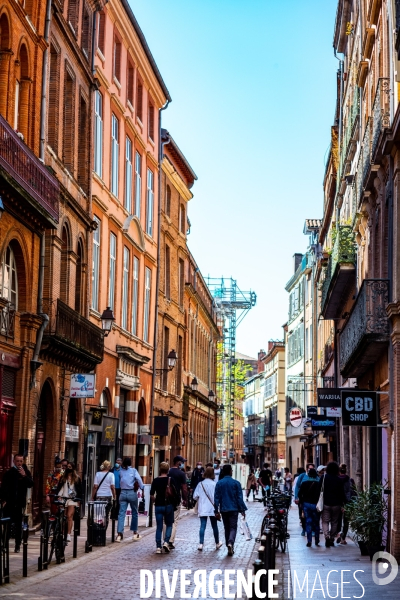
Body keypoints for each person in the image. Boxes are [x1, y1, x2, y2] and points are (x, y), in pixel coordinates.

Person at [1, 454, 33, 552]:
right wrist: (3, 500)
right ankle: (5, 545)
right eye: (17, 461)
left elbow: (30, 484)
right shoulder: (9, 472)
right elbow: (3, 488)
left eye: (21, 461)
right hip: (9, 503)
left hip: (19, 503)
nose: (19, 463)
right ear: (14, 461)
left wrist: (24, 476)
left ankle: (17, 545)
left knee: (19, 525)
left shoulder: (26, 472)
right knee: (7, 524)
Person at [214, 464, 247, 556]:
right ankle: (230, 543)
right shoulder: (236, 483)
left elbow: (216, 498)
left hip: (224, 508)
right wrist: (242, 510)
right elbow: (239, 498)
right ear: (230, 471)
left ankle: (228, 543)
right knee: (233, 527)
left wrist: (216, 510)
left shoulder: (219, 483)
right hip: (234, 509)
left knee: (226, 527)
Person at [193, 466, 222, 551]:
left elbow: (195, 496)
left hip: (203, 507)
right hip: (213, 508)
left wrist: (201, 499)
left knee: (202, 526)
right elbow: (218, 497)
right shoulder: (215, 484)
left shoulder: (200, 484)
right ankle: (217, 543)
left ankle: (201, 544)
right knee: (214, 526)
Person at [116, 457, 144, 543]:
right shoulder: (134, 471)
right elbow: (139, 480)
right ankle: (135, 532)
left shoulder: (120, 471)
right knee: (134, 512)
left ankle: (119, 534)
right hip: (132, 492)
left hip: (123, 493)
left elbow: (121, 479)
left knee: (121, 513)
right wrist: (142, 488)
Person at [150, 462, 176, 554]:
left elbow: (152, 494)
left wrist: (155, 501)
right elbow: (175, 493)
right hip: (168, 505)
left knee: (159, 527)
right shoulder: (170, 479)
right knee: (169, 524)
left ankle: (158, 547)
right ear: (168, 470)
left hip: (158, 505)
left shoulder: (156, 480)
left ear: (160, 469)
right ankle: (166, 542)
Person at [164, 455, 188, 549]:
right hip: (176, 499)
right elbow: (184, 487)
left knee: (165, 520)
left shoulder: (167, 471)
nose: (183, 464)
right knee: (174, 520)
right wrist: (185, 499)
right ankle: (170, 541)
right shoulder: (181, 474)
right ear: (178, 463)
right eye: (182, 462)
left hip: (165, 499)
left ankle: (165, 540)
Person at [320, 461, 346, 547]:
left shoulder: (323, 478)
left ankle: (326, 536)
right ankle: (331, 538)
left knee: (325, 521)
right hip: (337, 504)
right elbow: (342, 492)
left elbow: (319, 490)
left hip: (326, 503)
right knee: (335, 522)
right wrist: (344, 503)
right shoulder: (339, 479)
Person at [55, 461, 82, 542]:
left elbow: (80, 490)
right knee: (63, 516)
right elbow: (60, 487)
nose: (69, 468)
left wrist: (79, 500)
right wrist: (58, 496)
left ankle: (68, 534)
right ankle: (62, 532)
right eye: (68, 467)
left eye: (70, 467)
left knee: (69, 516)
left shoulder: (77, 478)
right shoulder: (63, 478)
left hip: (72, 499)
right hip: (64, 498)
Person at [298, 468, 321, 547]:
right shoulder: (319, 484)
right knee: (316, 522)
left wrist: (301, 502)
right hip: (315, 504)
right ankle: (317, 540)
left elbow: (299, 494)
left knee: (308, 522)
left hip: (306, 504)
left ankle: (309, 540)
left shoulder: (304, 483)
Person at [336, 463, 355, 545]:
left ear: (339, 472)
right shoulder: (350, 480)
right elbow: (353, 492)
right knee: (346, 521)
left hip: (338, 503)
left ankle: (338, 533)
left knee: (337, 520)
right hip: (348, 503)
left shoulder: (336, 480)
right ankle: (343, 538)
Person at [294, 463, 315, 536]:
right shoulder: (302, 476)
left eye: (312, 468)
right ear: (306, 469)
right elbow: (297, 486)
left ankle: (312, 529)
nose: (311, 470)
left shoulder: (315, 476)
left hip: (313, 499)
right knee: (303, 515)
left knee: (312, 515)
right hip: (303, 499)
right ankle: (304, 528)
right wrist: (296, 497)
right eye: (309, 468)